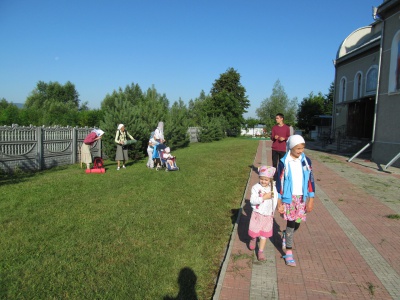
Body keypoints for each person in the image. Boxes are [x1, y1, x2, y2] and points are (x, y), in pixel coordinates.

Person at [276, 135, 315, 267]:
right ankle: (288, 253)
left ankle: (285, 236)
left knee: (297, 223)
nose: (300, 151)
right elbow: (279, 182)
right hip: (289, 198)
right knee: (291, 224)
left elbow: (311, 181)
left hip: (301, 198)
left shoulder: (306, 161)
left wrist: (311, 199)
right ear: (291, 147)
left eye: (302, 148)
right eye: (298, 148)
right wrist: (279, 201)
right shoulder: (284, 162)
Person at [248, 165, 278, 261]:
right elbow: (253, 200)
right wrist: (264, 198)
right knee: (254, 232)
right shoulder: (256, 188)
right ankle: (253, 239)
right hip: (258, 214)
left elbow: (276, 199)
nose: (264, 181)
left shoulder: (273, 188)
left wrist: (275, 209)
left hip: (268, 215)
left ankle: (260, 251)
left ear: (270, 179)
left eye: (266, 180)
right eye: (262, 179)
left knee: (264, 235)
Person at [271, 113, 290, 179]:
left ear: (282, 119)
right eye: (276, 118)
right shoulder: (274, 127)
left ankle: (281, 176)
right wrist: (274, 137)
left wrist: (284, 138)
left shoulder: (287, 128)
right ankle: (275, 177)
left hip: (283, 149)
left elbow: (288, 137)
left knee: (282, 163)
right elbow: (272, 137)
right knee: (274, 163)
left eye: (277, 118)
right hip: (275, 148)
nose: (276, 119)